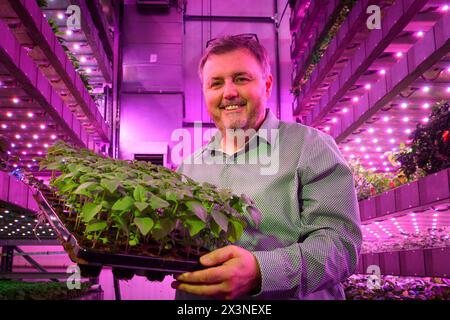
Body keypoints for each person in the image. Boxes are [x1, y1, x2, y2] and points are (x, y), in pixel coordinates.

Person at [171, 34, 362, 300]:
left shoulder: (311, 147)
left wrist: (262, 272)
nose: (229, 92)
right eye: (215, 83)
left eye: (241, 78)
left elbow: (341, 246)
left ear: (267, 85)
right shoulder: (189, 168)